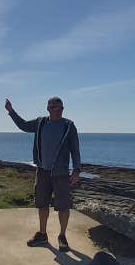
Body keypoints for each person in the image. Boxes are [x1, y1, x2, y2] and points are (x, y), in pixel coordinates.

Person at [5, 96, 81, 251]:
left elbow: (75, 149)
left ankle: (62, 236)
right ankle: (42, 234)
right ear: (48, 108)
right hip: (43, 172)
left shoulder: (69, 126)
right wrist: (11, 111)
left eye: (60, 108)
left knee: (64, 206)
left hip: (61, 173)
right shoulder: (40, 123)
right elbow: (24, 125)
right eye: (54, 107)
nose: (58, 110)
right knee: (42, 204)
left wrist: (76, 170)